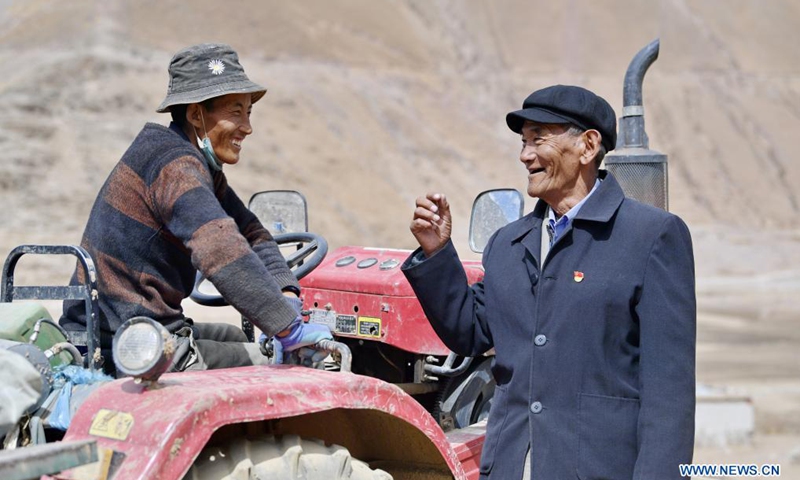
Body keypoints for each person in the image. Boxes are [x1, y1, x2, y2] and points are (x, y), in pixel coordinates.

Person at [402, 85, 696, 479]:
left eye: (538, 139)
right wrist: (438, 255)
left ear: (588, 146)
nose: (525, 155)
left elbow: (669, 397)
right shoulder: (508, 244)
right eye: (523, 142)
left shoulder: (651, 237)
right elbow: (468, 332)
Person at [60, 43, 331, 372]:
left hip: (141, 326)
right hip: (130, 341)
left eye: (248, 112)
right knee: (291, 362)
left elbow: (249, 231)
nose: (247, 126)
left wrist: (285, 290)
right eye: (235, 112)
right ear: (195, 114)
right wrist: (289, 330)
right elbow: (219, 248)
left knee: (235, 336)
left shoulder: (191, 163)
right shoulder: (176, 166)